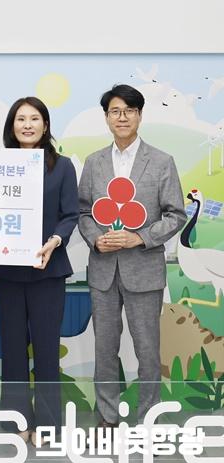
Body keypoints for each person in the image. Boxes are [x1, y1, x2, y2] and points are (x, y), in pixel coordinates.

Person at [78, 84, 186, 432]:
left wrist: (139, 237)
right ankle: (108, 417)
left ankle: (149, 418)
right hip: (103, 272)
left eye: (129, 111)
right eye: (115, 111)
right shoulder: (94, 162)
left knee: (148, 350)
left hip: (144, 270)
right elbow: (83, 213)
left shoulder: (161, 161)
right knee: (105, 349)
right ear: (106, 117)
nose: (121, 117)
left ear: (139, 115)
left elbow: (176, 215)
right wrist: (97, 240)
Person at [0, 97, 79, 445]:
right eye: (20, 119)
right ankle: (16, 422)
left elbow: (71, 215)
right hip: (9, 272)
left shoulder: (63, 167)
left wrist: (54, 241)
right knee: (11, 350)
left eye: (34, 118)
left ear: (45, 125)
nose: (27, 125)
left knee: (46, 351)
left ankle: (48, 426)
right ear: (12, 126)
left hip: (48, 271)